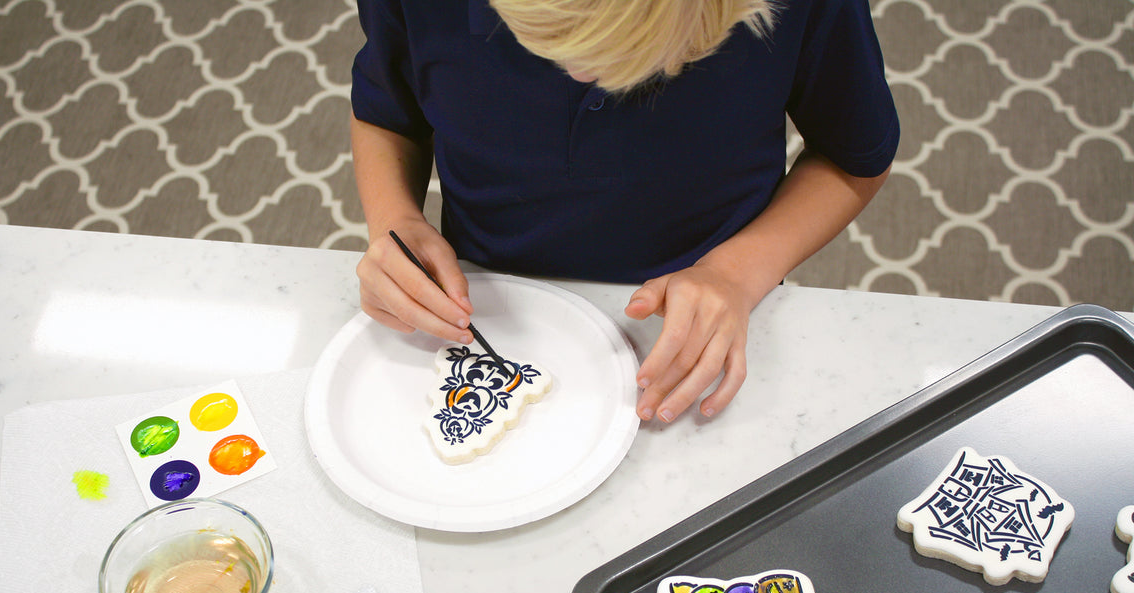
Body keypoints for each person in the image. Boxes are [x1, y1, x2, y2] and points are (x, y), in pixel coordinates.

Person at [350, 0, 899, 423]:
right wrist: (394, 219)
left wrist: (737, 272)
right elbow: (388, 113)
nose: (586, 76)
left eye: (654, 58)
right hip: (488, 297)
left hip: (712, 313)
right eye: (549, 44)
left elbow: (853, 157)